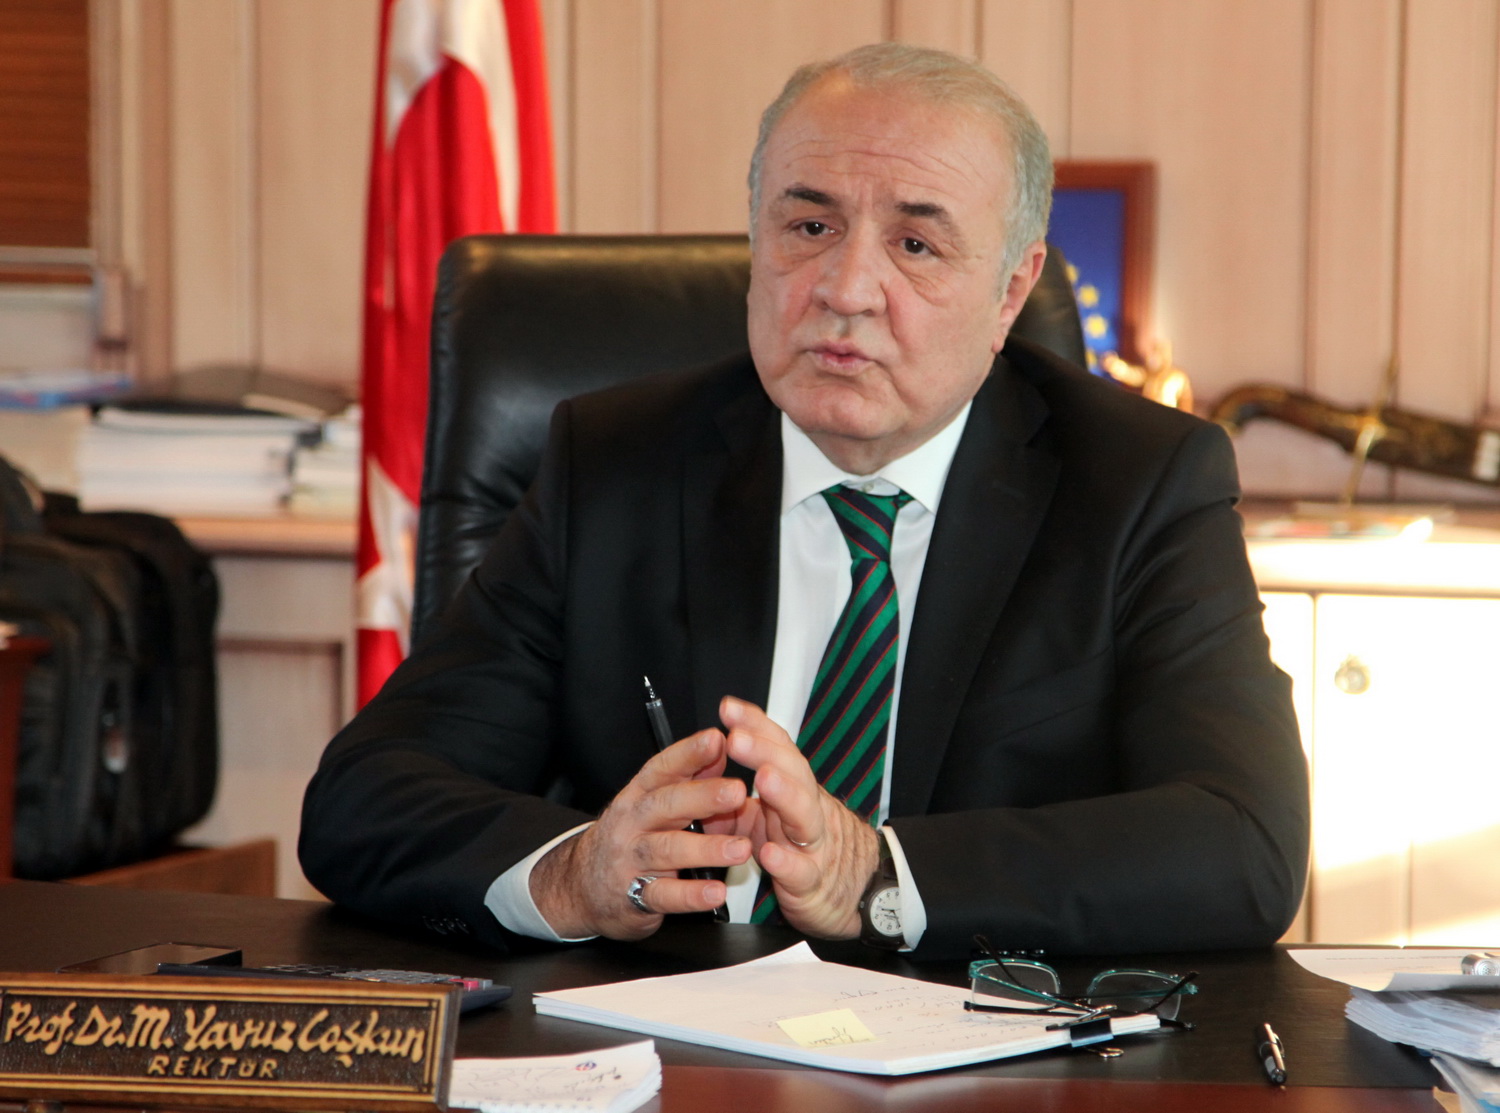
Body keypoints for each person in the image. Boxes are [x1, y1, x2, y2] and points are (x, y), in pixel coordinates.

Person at [300, 43, 1308, 960]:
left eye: (916, 245)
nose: (846, 287)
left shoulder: (1138, 484)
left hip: (986, 1054)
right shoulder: (614, 467)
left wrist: (877, 874)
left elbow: (1243, 841)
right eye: (811, 226)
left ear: (1011, 291)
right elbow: (363, 797)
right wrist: (578, 873)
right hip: (666, 1050)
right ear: (758, 241)